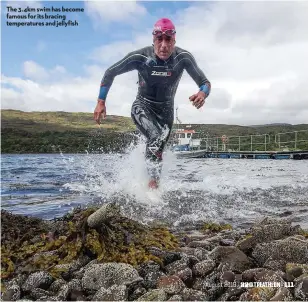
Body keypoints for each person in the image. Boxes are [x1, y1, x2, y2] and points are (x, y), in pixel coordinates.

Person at [94, 18, 211, 189]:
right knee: (155, 137)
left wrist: (202, 93)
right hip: (142, 107)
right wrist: (101, 101)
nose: (164, 45)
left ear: (174, 41)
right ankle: (149, 188)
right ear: (153, 40)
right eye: (159, 40)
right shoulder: (140, 57)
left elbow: (205, 83)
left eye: (168, 40)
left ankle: (153, 188)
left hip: (166, 113)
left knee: (158, 150)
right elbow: (110, 72)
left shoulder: (183, 58)